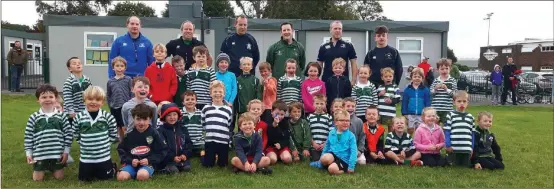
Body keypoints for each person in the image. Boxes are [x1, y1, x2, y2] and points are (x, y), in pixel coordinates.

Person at [24, 84, 72, 181]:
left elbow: (68, 135)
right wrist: (29, 153)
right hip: (40, 154)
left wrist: (66, 152)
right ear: (38, 100)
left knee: (59, 178)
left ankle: (53, 167)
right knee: (37, 180)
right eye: (44, 97)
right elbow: (28, 137)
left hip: (57, 154)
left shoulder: (62, 117)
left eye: (51, 97)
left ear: (55, 99)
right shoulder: (33, 117)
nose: (48, 99)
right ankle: (43, 167)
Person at [73, 86, 118, 182]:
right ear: (84, 101)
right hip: (86, 157)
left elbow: (113, 131)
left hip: (103, 156)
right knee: (84, 180)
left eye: (97, 99)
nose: (93, 102)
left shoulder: (107, 117)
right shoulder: (79, 117)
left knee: (106, 178)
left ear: (102, 102)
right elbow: (75, 132)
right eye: (90, 99)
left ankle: (112, 167)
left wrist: (107, 143)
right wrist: (83, 143)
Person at [117, 104, 168, 181]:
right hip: (132, 164)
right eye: (138, 119)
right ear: (133, 118)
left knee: (142, 176)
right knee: (122, 178)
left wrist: (149, 160)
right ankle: (125, 172)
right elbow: (121, 150)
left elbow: (162, 151)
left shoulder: (155, 134)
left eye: (145, 119)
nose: (141, 122)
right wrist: (130, 160)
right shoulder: (129, 135)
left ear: (150, 119)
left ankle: (142, 173)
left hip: (148, 164)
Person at [315, 110, 358, 175]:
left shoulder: (351, 136)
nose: (345, 122)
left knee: (332, 169)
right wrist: (320, 160)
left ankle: (343, 170)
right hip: (333, 155)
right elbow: (326, 147)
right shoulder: (331, 133)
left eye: (347, 121)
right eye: (342, 120)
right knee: (324, 158)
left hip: (344, 159)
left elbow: (354, 152)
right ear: (335, 122)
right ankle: (329, 165)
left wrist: (351, 166)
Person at [202, 81, 233, 167]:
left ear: (224, 94)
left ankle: (220, 158)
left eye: (220, 92)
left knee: (223, 165)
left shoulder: (228, 109)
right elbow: (203, 123)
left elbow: (229, 124)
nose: (217, 94)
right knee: (208, 165)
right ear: (210, 93)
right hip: (210, 140)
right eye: (215, 91)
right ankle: (207, 157)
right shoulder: (206, 108)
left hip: (223, 140)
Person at [157, 103, 193, 173]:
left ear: (178, 115)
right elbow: (162, 148)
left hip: (181, 158)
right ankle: (166, 167)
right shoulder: (161, 130)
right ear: (164, 117)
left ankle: (181, 164)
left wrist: (185, 154)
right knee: (174, 170)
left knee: (187, 168)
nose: (172, 117)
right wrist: (172, 157)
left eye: (174, 114)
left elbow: (188, 143)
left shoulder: (183, 128)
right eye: (169, 115)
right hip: (168, 159)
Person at [445, 90, 475, 167]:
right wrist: (448, 145)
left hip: (466, 147)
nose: (462, 103)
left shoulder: (471, 117)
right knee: (453, 164)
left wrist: (472, 147)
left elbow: (472, 133)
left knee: (466, 165)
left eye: (464, 101)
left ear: (467, 102)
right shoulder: (450, 115)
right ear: (454, 102)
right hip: (454, 147)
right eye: (459, 101)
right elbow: (447, 131)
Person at [107, 56, 133, 141]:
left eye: (122, 66)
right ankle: (121, 144)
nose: (119, 68)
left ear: (125, 68)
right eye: (117, 66)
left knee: (125, 126)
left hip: (125, 107)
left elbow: (132, 92)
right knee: (118, 127)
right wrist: (110, 105)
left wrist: (131, 104)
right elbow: (109, 95)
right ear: (113, 68)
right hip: (115, 108)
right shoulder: (110, 81)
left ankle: (128, 142)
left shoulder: (128, 79)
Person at [235, 57, 262, 135]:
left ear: (252, 66)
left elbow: (258, 96)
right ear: (240, 66)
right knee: (242, 129)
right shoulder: (237, 80)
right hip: (241, 110)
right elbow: (236, 96)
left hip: (252, 111)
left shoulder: (255, 80)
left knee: (252, 129)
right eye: (244, 64)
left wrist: (256, 108)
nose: (246, 66)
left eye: (248, 64)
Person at [62, 57, 92, 125]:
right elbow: (67, 98)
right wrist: (71, 111)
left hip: (84, 111)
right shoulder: (69, 82)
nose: (78, 65)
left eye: (79, 63)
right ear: (70, 69)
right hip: (72, 113)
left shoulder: (87, 80)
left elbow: (90, 95)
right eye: (74, 63)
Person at [401, 68, 431, 135]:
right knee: (410, 130)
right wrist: (404, 113)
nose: (417, 78)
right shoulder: (407, 90)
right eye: (415, 76)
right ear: (411, 78)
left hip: (421, 114)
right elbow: (404, 102)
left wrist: (427, 113)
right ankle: (409, 142)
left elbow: (427, 102)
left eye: (419, 77)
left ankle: (418, 143)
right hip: (410, 114)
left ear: (422, 78)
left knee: (420, 130)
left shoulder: (425, 90)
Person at [265, 100, 296, 164]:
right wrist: (274, 125)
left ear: (285, 114)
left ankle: (281, 156)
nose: (279, 116)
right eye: (277, 114)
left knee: (287, 159)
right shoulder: (268, 121)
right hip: (271, 147)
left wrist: (281, 145)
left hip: (282, 147)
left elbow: (287, 137)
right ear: (271, 112)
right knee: (272, 159)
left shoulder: (285, 122)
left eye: (282, 114)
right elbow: (269, 137)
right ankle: (275, 156)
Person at [186, 46, 217, 110]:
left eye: (203, 56)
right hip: (193, 103)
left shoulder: (210, 70)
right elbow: (188, 87)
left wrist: (213, 101)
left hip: (207, 102)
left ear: (206, 58)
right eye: (199, 56)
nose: (201, 58)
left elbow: (214, 87)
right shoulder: (190, 70)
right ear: (194, 58)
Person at [430, 58, 457, 126]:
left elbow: (454, 95)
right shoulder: (436, 80)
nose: (444, 71)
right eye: (442, 69)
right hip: (436, 108)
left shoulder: (452, 80)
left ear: (449, 69)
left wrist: (447, 89)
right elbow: (430, 93)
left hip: (447, 109)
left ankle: (446, 137)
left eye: (446, 68)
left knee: (447, 126)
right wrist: (435, 89)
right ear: (438, 70)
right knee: (435, 127)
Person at [180, 91, 205, 163]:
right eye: (187, 99)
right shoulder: (180, 113)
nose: (190, 101)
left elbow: (204, 128)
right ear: (183, 102)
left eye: (192, 99)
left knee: (203, 151)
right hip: (185, 143)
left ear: (196, 101)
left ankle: (203, 157)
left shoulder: (201, 113)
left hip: (199, 142)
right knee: (183, 153)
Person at [308, 94, 333, 162]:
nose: (319, 106)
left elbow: (331, 133)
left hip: (325, 145)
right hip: (314, 146)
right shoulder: (309, 117)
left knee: (325, 159)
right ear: (313, 104)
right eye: (317, 103)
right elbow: (308, 133)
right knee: (316, 159)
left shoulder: (329, 117)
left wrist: (325, 143)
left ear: (325, 104)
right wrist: (313, 143)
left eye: (322, 103)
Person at [343, 97, 366, 164]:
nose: (350, 108)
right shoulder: (340, 120)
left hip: (355, 149)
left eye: (353, 106)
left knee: (362, 162)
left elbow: (362, 137)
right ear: (343, 107)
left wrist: (360, 150)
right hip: (343, 149)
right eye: (348, 106)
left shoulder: (359, 121)